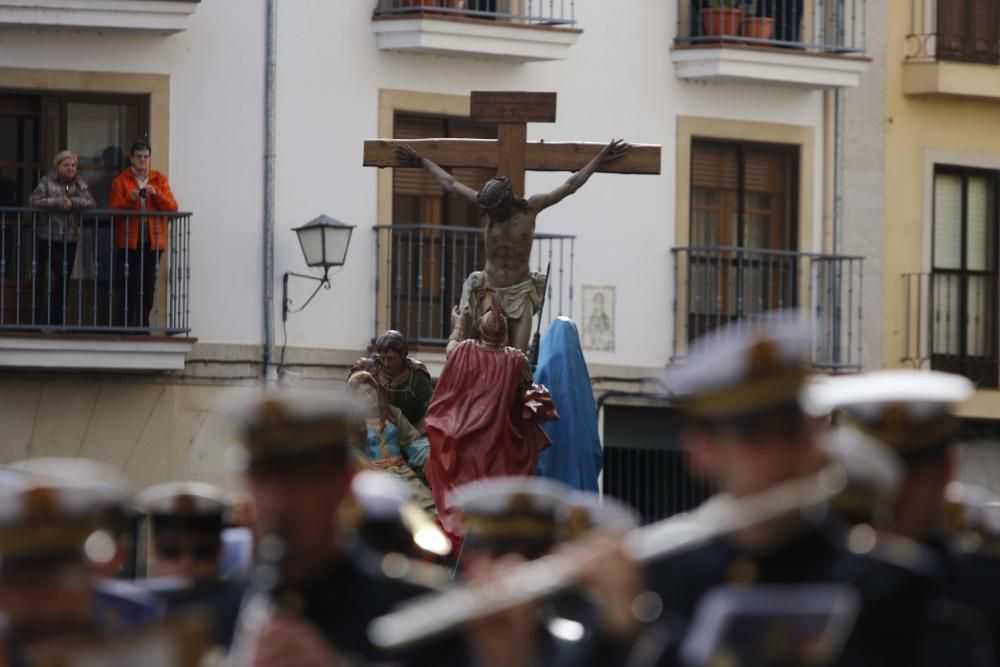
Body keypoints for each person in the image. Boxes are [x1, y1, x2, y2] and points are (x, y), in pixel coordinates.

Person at [227, 390, 468, 667]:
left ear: (345, 482)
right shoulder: (222, 610)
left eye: (302, 478)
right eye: (262, 476)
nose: (277, 499)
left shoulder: (424, 615)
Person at [808, 369, 1000, 666]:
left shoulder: (985, 582)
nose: (896, 493)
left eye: (912, 476)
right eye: (879, 473)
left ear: (947, 472)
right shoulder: (811, 574)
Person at [395, 139, 630, 353]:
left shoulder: (531, 208)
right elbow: (451, 183)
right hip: (491, 289)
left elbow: (571, 184)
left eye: (495, 210)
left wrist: (599, 158)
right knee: (486, 351)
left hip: (521, 291)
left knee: (518, 356)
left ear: (506, 202)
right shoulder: (486, 207)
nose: (489, 215)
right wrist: (421, 161)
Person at [423, 300, 556, 537]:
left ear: (481, 329)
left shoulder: (464, 350)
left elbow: (450, 348)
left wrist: (458, 325)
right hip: (499, 441)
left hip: (459, 435)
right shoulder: (516, 359)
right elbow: (526, 391)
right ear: (504, 332)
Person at [136, 481, 246, 650]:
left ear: (220, 550)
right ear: (152, 550)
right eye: (172, 550)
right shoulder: (128, 611)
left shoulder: (246, 610)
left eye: (203, 551)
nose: (187, 563)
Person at [110, 138, 178, 329]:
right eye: (139, 157)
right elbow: (113, 211)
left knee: (148, 285)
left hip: (153, 241)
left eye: (146, 157)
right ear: (131, 159)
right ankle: (125, 325)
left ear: (149, 158)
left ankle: (143, 324)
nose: (142, 160)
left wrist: (156, 194)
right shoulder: (121, 181)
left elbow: (173, 208)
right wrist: (130, 199)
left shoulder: (159, 179)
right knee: (129, 284)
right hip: (129, 241)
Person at [346, 370, 435, 516]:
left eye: (370, 391)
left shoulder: (393, 414)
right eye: (362, 395)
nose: (369, 397)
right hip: (374, 477)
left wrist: (428, 455)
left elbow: (412, 440)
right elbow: (351, 452)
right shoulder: (352, 423)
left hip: (403, 473)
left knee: (426, 506)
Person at [28, 149, 96, 327]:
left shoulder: (80, 183)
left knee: (64, 280)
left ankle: (54, 321)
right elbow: (34, 201)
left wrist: (72, 203)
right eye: (66, 165)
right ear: (57, 167)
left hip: (70, 238)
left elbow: (90, 202)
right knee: (53, 278)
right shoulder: (47, 181)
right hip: (49, 237)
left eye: (73, 165)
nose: (71, 168)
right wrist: (58, 203)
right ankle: (46, 321)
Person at [535, 316, 603, 491]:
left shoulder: (542, 374)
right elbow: (595, 449)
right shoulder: (584, 385)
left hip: (546, 491)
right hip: (579, 495)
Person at [351, 329, 434, 430]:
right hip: (375, 430)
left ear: (402, 355)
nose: (386, 363)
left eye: (391, 358)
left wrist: (417, 434)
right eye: (383, 358)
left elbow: (431, 410)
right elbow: (349, 394)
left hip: (411, 433)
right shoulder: (370, 368)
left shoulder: (416, 375)